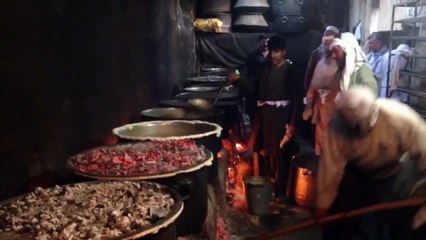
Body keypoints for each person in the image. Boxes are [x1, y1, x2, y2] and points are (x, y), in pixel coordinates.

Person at [316, 86, 426, 240]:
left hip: (393, 174)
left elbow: (423, 144)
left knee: (398, 223)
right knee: (338, 221)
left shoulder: (396, 115)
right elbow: (330, 167)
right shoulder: (337, 125)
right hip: (357, 173)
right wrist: (323, 205)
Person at [245, 35, 304, 201]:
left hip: (281, 119)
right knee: (262, 152)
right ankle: (265, 186)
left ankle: (280, 192)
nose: (272, 55)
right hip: (264, 117)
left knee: (281, 155)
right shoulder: (264, 69)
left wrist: (292, 125)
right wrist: (237, 81)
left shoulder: (291, 72)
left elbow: (298, 100)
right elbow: (251, 86)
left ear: (283, 52)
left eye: (276, 51)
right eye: (271, 51)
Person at [302, 32, 378, 155]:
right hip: (332, 126)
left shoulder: (364, 74)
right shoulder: (342, 70)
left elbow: (368, 111)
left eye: (336, 51)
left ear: (348, 52)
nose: (333, 55)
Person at [304, 25, 340, 92]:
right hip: (318, 90)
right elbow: (310, 72)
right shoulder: (317, 53)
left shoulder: (340, 53)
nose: (327, 42)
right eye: (325, 36)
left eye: (329, 41)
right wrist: (308, 89)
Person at [244, 35, 269, 123]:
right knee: (254, 113)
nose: (265, 44)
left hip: (269, 88)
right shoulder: (252, 56)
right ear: (259, 42)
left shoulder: (272, 56)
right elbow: (249, 72)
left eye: (267, 41)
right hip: (255, 88)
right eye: (263, 41)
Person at [367, 32, 390, 97]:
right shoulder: (369, 56)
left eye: (371, 43)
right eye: (368, 43)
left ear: (379, 42)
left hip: (381, 88)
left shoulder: (387, 56)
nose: (369, 46)